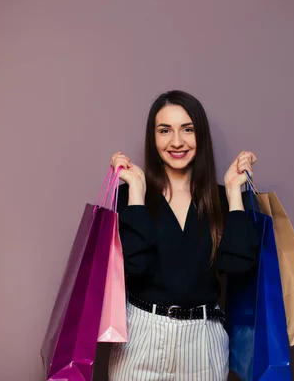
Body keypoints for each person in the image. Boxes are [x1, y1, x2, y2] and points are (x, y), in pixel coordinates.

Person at [107, 90, 259, 381]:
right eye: (165, 130)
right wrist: (137, 195)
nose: (177, 142)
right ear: (153, 138)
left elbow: (237, 267)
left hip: (203, 340)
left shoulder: (219, 198)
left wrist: (233, 194)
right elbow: (133, 270)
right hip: (141, 338)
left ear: (200, 135)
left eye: (187, 129)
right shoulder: (129, 195)